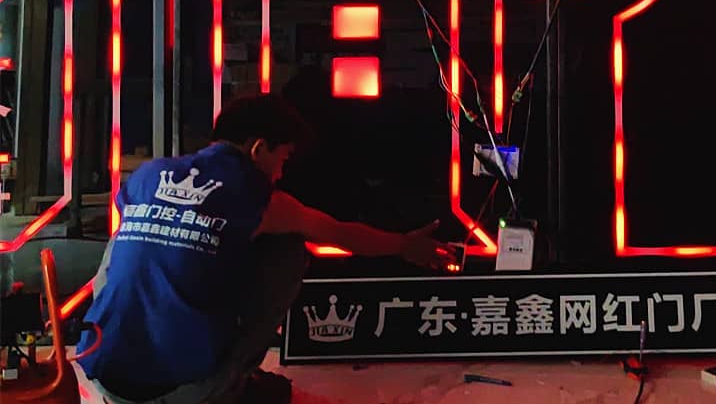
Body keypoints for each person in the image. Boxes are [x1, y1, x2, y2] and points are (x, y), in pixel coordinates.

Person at [76, 93, 452, 404]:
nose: (282, 172)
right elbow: (338, 233)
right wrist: (404, 245)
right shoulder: (253, 194)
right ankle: (231, 384)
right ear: (258, 149)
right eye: (283, 158)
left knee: (133, 237)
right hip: (182, 390)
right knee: (288, 247)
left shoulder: (148, 174)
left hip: (104, 376)